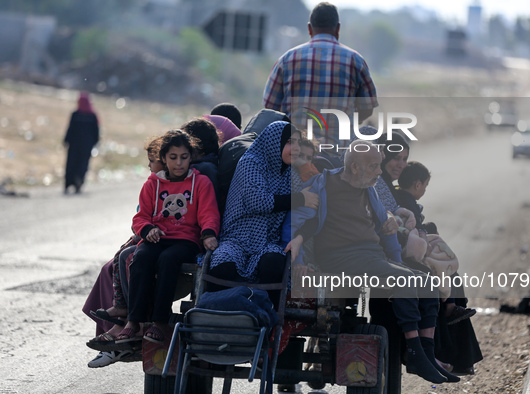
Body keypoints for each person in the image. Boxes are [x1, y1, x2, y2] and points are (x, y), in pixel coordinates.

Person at [288, 141, 460, 384]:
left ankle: (426, 354)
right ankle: (414, 352)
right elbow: (298, 226)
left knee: (426, 282)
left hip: (372, 257)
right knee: (406, 280)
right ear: (355, 167)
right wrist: (301, 260)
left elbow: (386, 229)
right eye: (374, 166)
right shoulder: (322, 186)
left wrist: (397, 263)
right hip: (342, 260)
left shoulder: (368, 188)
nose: (380, 172)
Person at [373, 137, 483, 375]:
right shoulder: (375, 183)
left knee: (450, 277)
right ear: (382, 156)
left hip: (399, 247)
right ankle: (431, 353)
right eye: (395, 158)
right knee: (434, 277)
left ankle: (445, 354)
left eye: (404, 158)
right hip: (388, 252)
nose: (399, 164)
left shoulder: (389, 187)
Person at [115, 130, 220, 344]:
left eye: (184, 157)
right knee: (140, 258)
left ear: (191, 158)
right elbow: (140, 217)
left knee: (167, 260)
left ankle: (160, 322)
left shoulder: (201, 184)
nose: (179, 163)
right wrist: (147, 230)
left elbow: (209, 214)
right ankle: (133, 322)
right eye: (173, 158)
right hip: (156, 238)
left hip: (186, 240)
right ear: (164, 158)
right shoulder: (152, 185)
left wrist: (208, 234)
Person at [208, 121, 318, 307]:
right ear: (275, 142)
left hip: (268, 243)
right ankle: (226, 315)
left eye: (298, 142)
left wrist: (300, 237)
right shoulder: (251, 162)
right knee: (222, 264)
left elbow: (312, 213)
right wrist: (299, 198)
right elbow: (258, 201)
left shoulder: (291, 174)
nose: (297, 148)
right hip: (237, 240)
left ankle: (266, 324)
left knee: (275, 263)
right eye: (290, 142)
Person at [84, 135, 165, 367]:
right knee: (109, 266)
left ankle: (121, 329)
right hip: (146, 233)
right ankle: (113, 333)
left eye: (152, 160)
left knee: (124, 260)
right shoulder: (153, 181)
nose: (149, 165)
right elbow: (140, 216)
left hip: (162, 239)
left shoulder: (179, 182)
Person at [263, 2, 378, 151]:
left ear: (309, 29)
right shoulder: (355, 61)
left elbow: (269, 106)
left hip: (294, 154)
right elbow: (367, 108)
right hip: (337, 156)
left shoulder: (287, 59)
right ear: (338, 29)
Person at [63, 92, 100, 194]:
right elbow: (96, 132)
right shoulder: (92, 116)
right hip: (86, 146)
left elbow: (70, 129)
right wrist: (95, 143)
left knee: (71, 164)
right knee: (82, 165)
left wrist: (66, 140)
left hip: (74, 145)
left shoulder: (76, 114)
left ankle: (68, 184)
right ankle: (78, 183)